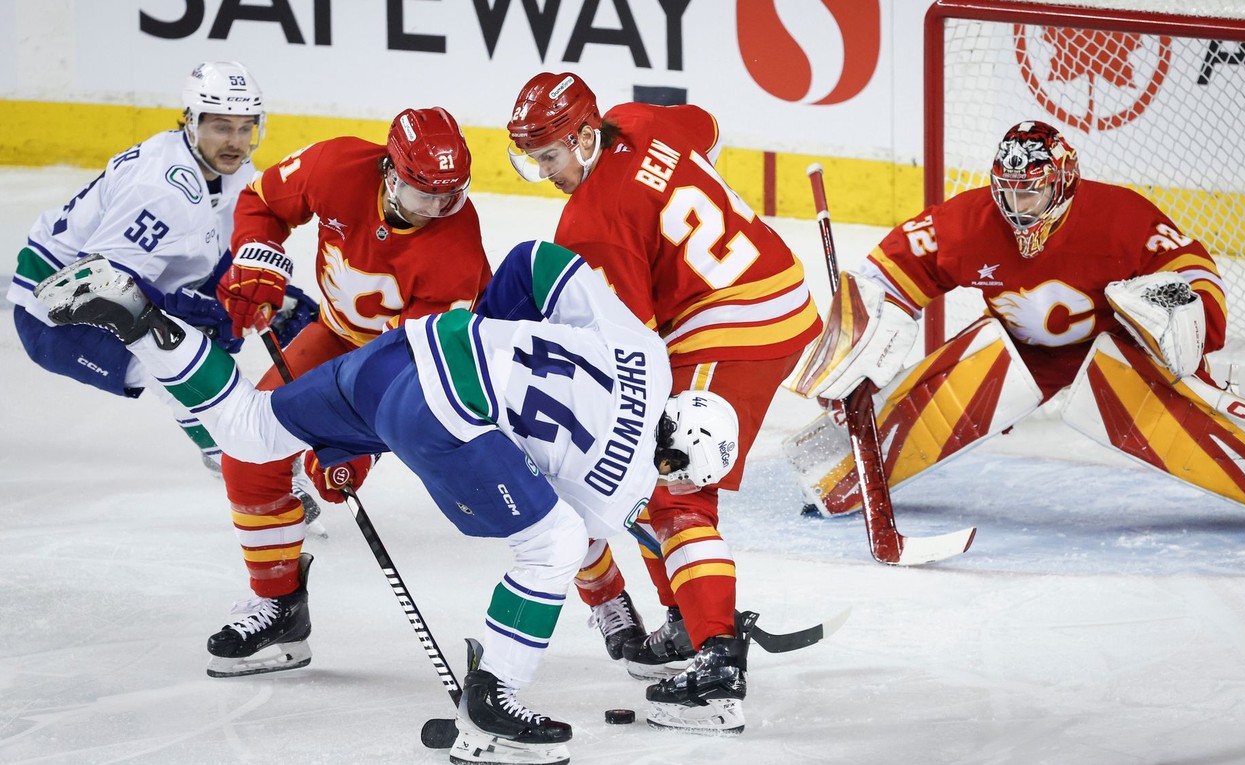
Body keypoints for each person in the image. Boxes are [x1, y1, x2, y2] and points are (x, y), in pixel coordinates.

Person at [34, 240, 739, 765]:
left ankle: (139, 320)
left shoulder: (644, 349)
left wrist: (488, 338)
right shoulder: (623, 491)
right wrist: (622, 622)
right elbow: (576, 549)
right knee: (550, 541)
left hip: (419, 346)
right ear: (675, 465)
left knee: (250, 430)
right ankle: (493, 699)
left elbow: (534, 262)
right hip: (440, 413)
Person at [788, 120, 1245, 538]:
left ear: (1061, 184)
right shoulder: (968, 222)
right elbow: (884, 273)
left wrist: (1183, 318)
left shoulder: (1119, 218)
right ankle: (836, 468)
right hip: (1020, 352)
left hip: (1115, 351)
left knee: (1197, 425)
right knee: (959, 379)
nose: (1016, 203)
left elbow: (1193, 272)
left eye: (1030, 190)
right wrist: (862, 334)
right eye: (1007, 189)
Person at [505, 72, 822, 733]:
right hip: (772, 289)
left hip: (736, 325)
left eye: (551, 156)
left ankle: (717, 671)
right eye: (532, 159)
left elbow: (628, 348)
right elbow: (703, 125)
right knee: (650, 475)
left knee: (675, 490)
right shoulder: (636, 119)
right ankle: (686, 618)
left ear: (587, 136)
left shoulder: (592, 221)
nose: (544, 172)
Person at [207, 106, 493, 678]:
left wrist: (358, 441)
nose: (438, 209)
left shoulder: (456, 253)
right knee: (247, 455)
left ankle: (602, 594)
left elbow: (413, 367)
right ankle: (279, 608)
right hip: (334, 336)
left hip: (396, 371)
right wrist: (255, 259)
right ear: (389, 171)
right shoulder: (337, 165)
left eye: (451, 195)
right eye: (423, 194)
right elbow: (262, 202)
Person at [5, 60, 293, 472]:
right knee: (185, 360)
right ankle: (234, 459)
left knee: (209, 334)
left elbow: (221, 252)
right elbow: (100, 287)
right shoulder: (159, 189)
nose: (236, 141)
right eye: (222, 127)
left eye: (245, 127)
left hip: (110, 286)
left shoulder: (233, 171)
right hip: (56, 313)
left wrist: (273, 295)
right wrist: (201, 312)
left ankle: (231, 451)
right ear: (191, 123)